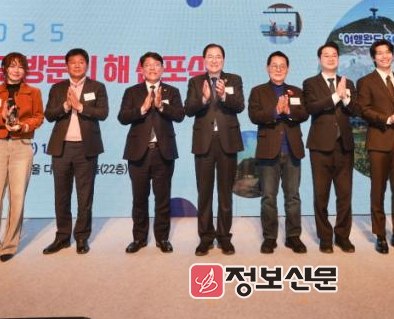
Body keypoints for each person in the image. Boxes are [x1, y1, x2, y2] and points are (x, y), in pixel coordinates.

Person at [0, 52, 44, 263]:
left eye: (21, 66)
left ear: (25, 70)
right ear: (4, 69)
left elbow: (38, 117)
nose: (16, 70)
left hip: (21, 146)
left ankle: (9, 245)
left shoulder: (33, 92)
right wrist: (2, 117)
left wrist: (23, 126)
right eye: (12, 66)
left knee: (17, 198)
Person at [43, 48, 109, 255]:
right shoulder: (57, 88)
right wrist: (65, 106)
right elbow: (49, 114)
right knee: (61, 195)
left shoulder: (97, 87)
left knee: (84, 195)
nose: (77, 65)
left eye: (81, 62)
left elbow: (103, 113)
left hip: (86, 148)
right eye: (73, 62)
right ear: (67, 66)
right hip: (61, 148)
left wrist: (80, 107)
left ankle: (81, 237)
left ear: (87, 65)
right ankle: (62, 236)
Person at [118, 52, 185, 254]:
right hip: (138, 152)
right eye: (148, 65)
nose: (152, 68)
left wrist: (160, 106)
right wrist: (143, 108)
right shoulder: (132, 92)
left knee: (162, 198)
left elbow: (180, 115)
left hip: (164, 152)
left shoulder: (172, 91)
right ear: (142, 70)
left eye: (156, 64)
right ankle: (139, 238)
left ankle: (162, 238)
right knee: (139, 198)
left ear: (162, 69)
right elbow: (122, 117)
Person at [356, 40, 394, 255]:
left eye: (387, 52)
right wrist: (387, 119)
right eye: (379, 53)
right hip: (379, 142)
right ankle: (380, 235)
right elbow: (363, 110)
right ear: (373, 57)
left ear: (393, 55)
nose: (384, 56)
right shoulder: (365, 82)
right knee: (378, 191)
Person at [185, 43, 245, 256]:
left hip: (227, 141)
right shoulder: (195, 82)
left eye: (218, 56)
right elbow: (188, 109)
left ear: (223, 60)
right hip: (204, 143)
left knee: (225, 193)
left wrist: (224, 96)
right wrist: (203, 98)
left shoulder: (234, 80)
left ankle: (224, 237)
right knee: (204, 193)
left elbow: (240, 106)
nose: (214, 60)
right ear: (204, 60)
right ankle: (205, 238)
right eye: (210, 56)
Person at [248, 51, 309, 254]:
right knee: (268, 197)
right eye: (274, 65)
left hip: (292, 151)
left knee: (293, 197)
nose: (278, 69)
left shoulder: (296, 91)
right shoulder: (258, 91)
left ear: (288, 69)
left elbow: (304, 114)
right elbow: (254, 116)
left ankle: (293, 236)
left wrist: (288, 111)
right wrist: (276, 111)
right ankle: (269, 237)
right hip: (268, 152)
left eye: (282, 66)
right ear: (267, 68)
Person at [302, 42, 361, 254]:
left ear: (338, 58)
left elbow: (356, 110)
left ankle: (343, 236)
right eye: (326, 55)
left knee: (345, 195)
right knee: (321, 195)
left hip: (344, 146)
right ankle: (325, 237)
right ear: (320, 59)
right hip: (320, 147)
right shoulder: (310, 83)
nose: (330, 58)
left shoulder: (348, 83)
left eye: (334, 55)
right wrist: (336, 95)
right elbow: (311, 108)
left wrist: (345, 98)